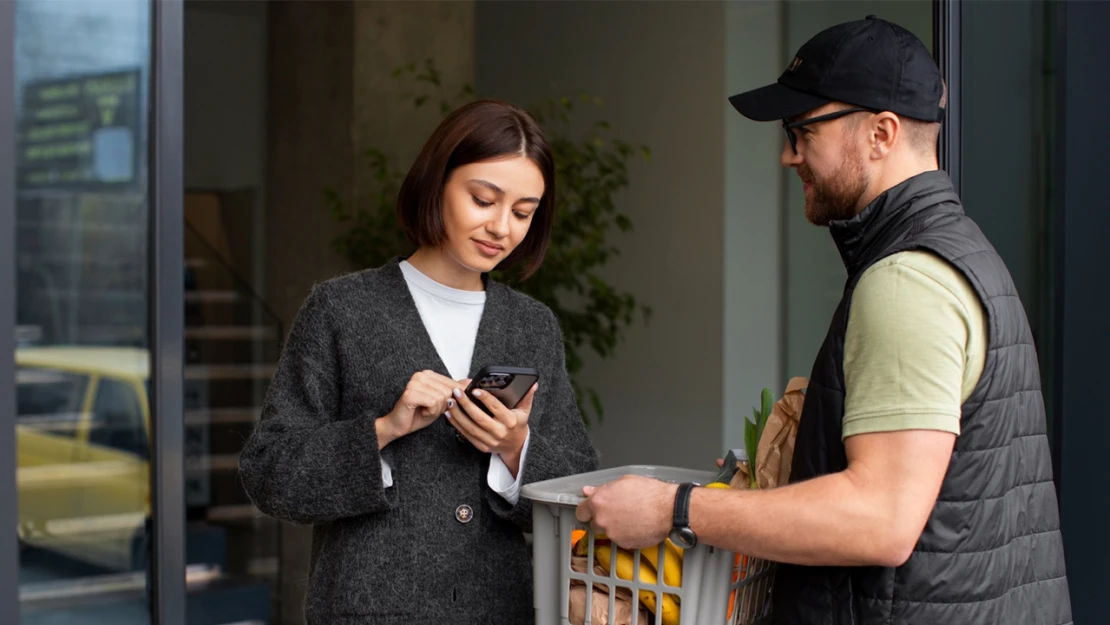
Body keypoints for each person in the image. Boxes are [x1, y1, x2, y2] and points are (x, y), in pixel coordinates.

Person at [575, 15, 1071, 625]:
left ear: (881, 133)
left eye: (802, 129)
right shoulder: (962, 253)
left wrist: (675, 509)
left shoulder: (905, 280)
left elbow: (879, 519)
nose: (788, 155)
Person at [239, 99, 600, 624]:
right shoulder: (342, 310)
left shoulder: (532, 325)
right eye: (483, 200)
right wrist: (382, 431)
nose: (502, 227)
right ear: (437, 183)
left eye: (523, 212)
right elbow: (270, 473)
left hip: (499, 610)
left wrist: (514, 448)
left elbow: (579, 490)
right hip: (367, 611)